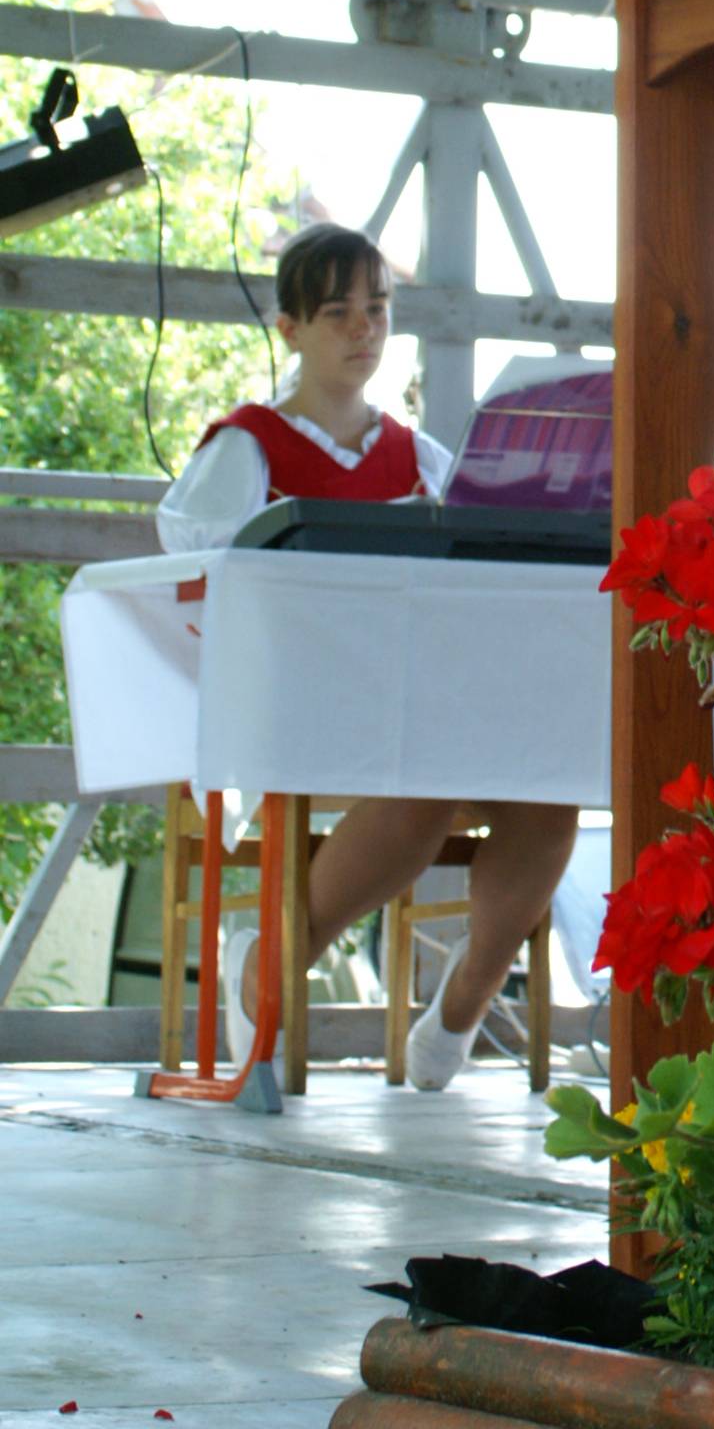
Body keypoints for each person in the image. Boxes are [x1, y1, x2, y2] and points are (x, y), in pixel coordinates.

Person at [156, 222, 579, 1089]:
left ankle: (461, 1009)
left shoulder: (418, 456)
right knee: (423, 785)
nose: (363, 330)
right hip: (301, 703)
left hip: (424, 699)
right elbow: (197, 562)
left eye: (377, 310)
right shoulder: (245, 445)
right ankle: (265, 970)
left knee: (549, 786)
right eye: (338, 312)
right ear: (291, 329)